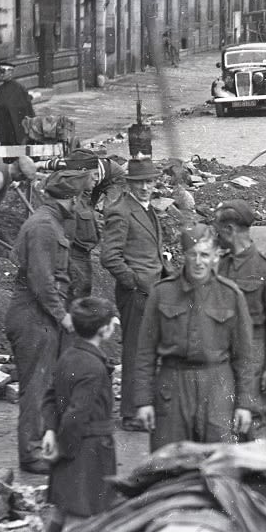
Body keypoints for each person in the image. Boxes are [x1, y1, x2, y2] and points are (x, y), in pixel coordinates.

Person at [131, 230, 258, 448]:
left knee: (219, 461)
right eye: (193, 255)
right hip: (173, 386)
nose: (199, 262)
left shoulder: (230, 295)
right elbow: (145, 352)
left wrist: (244, 404)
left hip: (218, 386)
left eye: (205, 255)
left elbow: (244, 356)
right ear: (184, 255)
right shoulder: (162, 292)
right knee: (168, 464)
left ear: (215, 256)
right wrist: (143, 401)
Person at [6, 169, 86, 474]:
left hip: (36, 314)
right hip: (33, 315)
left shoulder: (48, 222)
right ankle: (29, 454)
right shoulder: (43, 227)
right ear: (71, 199)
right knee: (35, 387)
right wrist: (63, 316)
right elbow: (42, 281)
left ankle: (37, 445)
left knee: (41, 382)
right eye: (77, 199)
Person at [39, 296, 120, 532]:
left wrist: (51, 431)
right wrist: (63, 448)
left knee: (63, 510)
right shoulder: (94, 367)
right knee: (81, 519)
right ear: (104, 329)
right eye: (111, 323)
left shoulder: (69, 356)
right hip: (88, 451)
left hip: (72, 447)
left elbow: (50, 397)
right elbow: (76, 416)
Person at [101, 156, 170, 430]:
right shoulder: (121, 210)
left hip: (153, 290)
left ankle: (144, 407)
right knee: (136, 352)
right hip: (137, 294)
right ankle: (130, 414)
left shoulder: (146, 209)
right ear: (129, 184)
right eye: (139, 183)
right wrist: (135, 282)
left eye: (149, 182)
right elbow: (110, 257)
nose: (145, 187)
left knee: (148, 351)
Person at [213, 202, 266, 416]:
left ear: (230, 230)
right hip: (222, 354)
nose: (217, 238)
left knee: (250, 419)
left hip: (254, 358)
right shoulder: (220, 265)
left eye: (219, 232)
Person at [62, 149, 103, 301]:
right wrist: (72, 268)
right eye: (94, 175)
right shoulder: (68, 200)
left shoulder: (82, 196)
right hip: (74, 259)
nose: (97, 180)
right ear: (83, 172)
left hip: (84, 257)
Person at [0, 59, 36, 156]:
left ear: (10, 72)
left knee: (20, 158)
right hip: (5, 131)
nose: (1, 74)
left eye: (3, 71)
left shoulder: (19, 88)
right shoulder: (1, 89)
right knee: (8, 158)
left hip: (17, 132)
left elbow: (28, 110)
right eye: (0, 71)